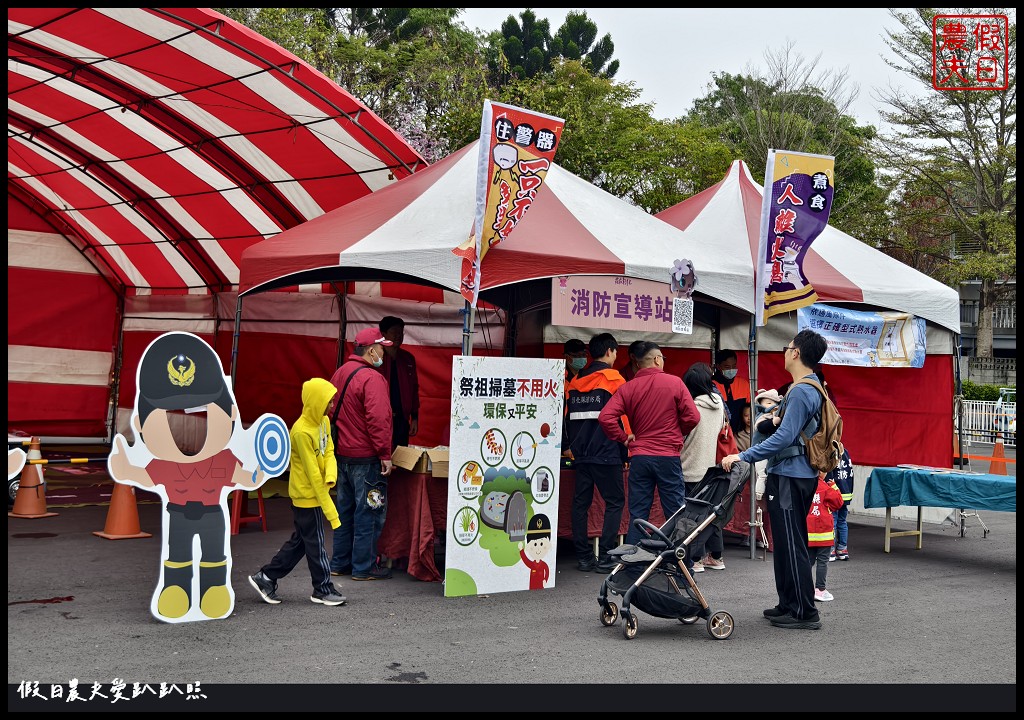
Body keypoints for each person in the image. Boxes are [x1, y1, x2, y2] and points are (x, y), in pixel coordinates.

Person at [107, 332, 266, 621]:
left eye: (203, 413)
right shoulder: (163, 463)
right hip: (178, 513)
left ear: (231, 414)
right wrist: (126, 471)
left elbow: (244, 476)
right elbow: (145, 476)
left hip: (212, 515)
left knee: (214, 555)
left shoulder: (223, 458)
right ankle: (176, 589)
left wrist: (258, 472)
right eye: (169, 416)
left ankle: (215, 589)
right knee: (177, 553)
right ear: (141, 425)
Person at [721, 329, 829, 630]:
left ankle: (805, 612)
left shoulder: (803, 390)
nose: (784, 352)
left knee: (792, 543)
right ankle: (788, 603)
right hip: (790, 474)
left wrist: (744, 455)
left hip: (792, 475)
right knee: (784, 543)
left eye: (787, 347)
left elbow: (784, 436)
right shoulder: (804, 388)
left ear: (796, 353)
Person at [249, 378, 347, 607]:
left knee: (303, 542)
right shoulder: (301, 432)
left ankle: (266, 577)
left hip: (313, 493)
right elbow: (313, 474)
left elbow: (330, 450)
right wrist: (331, 513)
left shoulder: (322, 421)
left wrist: (331, 475)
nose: (332, 405)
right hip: (305, 496)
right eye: (328, 402)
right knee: (315, 544)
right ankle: (322, 589)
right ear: (316, 402)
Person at [598, 342, 700, 545]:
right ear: (656, 359)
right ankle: (680, 567)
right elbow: (693, 417)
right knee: (676, 511)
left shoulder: (628, 387)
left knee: (639, 514)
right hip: (667, 456)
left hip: (640, 457)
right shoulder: (675, 383)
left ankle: (634, 567)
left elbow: (605, 417)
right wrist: (678, 432)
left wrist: (623, 437)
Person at [329, 327, 395, 581]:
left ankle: (339, 563)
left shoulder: (340, 373)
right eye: (381, 347)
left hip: (342, 455)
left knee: (344, 511)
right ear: (370, 350)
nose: (384, 352)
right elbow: (378, 419)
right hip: (367, 458)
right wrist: (384, 453)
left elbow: (331, 411)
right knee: (370, 511)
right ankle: (364, 567)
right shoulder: (373, 378)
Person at [565, 332, 629, 573]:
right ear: (611, 351)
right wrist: (626, 451)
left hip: (581, 454)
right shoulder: (614, 380)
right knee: (614, 502)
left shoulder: (574, 382)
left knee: (580, 504)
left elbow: (568, 419)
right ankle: (605, 558)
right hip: (607, 451)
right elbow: (624, 420)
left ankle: (584, 558)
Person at [679, 362, 727, 572]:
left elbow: (681, 436)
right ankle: (716, 557)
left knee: (691, 518)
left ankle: (695, 559)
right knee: (710, 514)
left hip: (690, 467)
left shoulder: (692, 407)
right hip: (711, 467)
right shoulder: (719, 404)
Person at [377, 316, 419, 449]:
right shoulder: (376, 358)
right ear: (383, 334)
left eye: (400, 332)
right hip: (381, 419)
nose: (398, 335)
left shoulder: (408, 359)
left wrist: (415, 418)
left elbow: (414, 390)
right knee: (382, 459)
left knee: (400, 459)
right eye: (394, 332)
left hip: (402, 420)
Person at [807, 473, 844, 602]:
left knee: (808, 562)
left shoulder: (804, 485)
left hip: (808, 533)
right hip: (824, 533)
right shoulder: (825, 487)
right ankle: (820, 590)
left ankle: (804, 588)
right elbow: (838, 502)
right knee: (823, 562)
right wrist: (833, 485)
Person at [712, 349, 751, 432]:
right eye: (727, 367)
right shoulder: (711, 385)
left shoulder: (744, 383)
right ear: (718, 366)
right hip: (719, 432)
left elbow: (750, 408)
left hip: (740, 433)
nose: (731, 369)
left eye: (734, 366)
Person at [828, 447, 854, 562]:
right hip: (846, 494)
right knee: (842, 522)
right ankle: (842, 549)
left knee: (832, 522)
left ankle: (831, 550)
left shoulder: (830, 452)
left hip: (835, 494)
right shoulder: (846, 452)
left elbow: (828, 475)